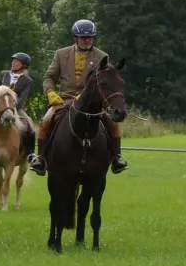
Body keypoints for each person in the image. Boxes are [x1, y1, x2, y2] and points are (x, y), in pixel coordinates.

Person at [31, 21, 128, 176]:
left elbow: (106, 81)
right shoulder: (61, 54)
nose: (87, 40)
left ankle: (117, 158)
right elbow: (49, 77)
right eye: (83, 37)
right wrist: (50, 92)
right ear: (75, 38)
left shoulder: (102, 56)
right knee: (45, 121)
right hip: (64, 100)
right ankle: (40, 158)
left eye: (90, 37)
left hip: (91, 102)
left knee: (112, 123)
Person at [0, 53, 36, 139]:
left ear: (24, 65)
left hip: (16, 108)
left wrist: (10, 106)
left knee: (31, 127)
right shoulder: (3, 74)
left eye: (16, 61)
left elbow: (22, 98)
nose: (13, 62)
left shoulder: (27, 80)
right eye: (13, 61)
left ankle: (30, 151)